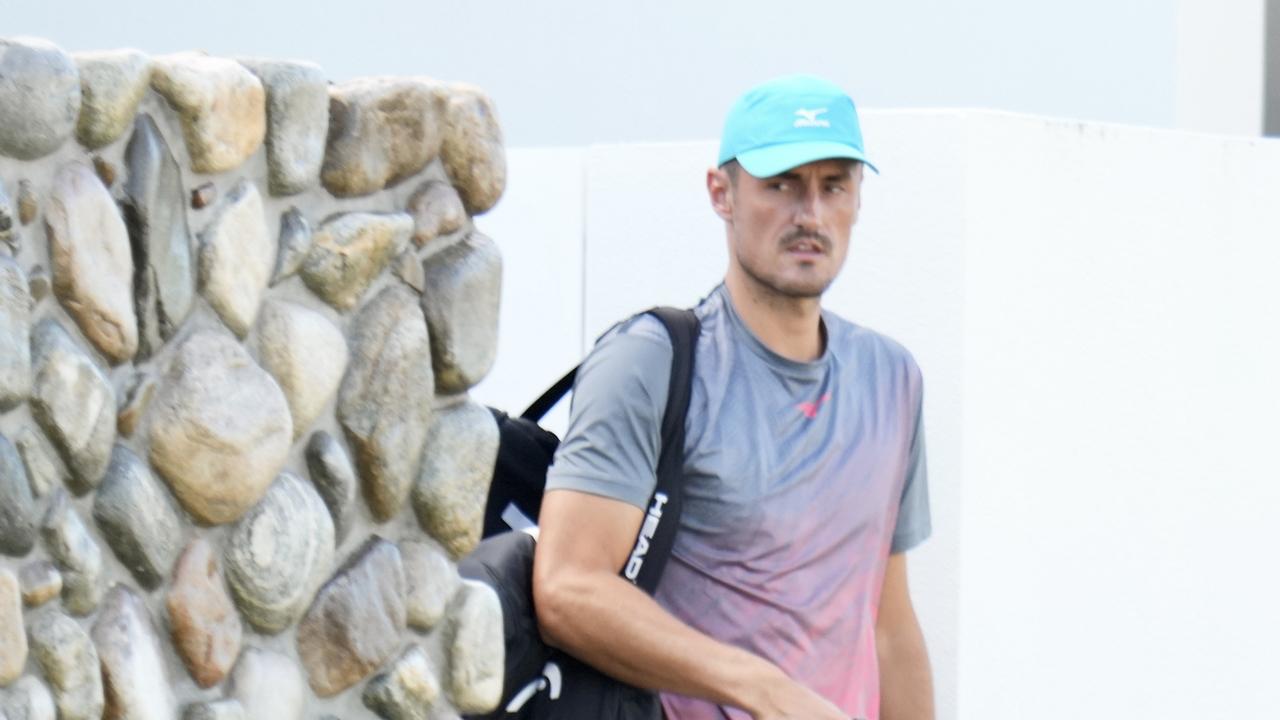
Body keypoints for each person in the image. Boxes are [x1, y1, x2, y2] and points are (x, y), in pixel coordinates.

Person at [532, 75, 934, 720]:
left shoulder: (892, 379)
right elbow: (568, 588)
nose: (810, 214)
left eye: (834, 185)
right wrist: (761, 687)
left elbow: (888, 626)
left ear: (858, 198)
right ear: (722, 192)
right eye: (781, 185)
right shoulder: (652, 361)